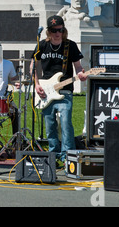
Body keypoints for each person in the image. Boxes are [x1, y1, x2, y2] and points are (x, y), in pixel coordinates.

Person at [30, 15, 87, 164]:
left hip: (65, 90)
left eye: (60, 30)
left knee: (66, 122)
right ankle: (53, 154)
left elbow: (78, 67)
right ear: (49, 31)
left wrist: (81, 73)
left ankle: (67, 155)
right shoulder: (42, 45)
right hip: (45, 92)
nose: (57, 33)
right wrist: (37, 85)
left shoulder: (71, 46)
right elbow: (33, 67)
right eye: (54, 30)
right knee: (50, 125)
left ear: (64, 30)